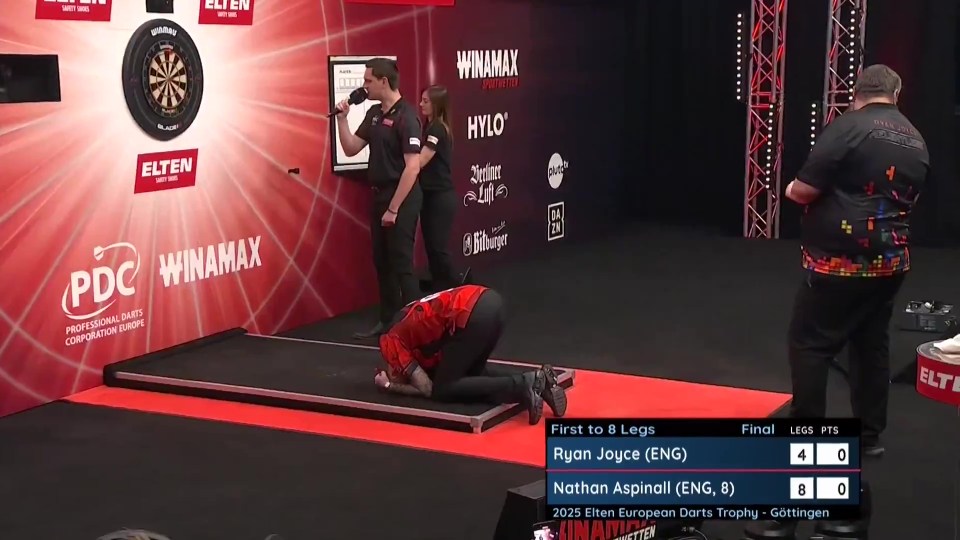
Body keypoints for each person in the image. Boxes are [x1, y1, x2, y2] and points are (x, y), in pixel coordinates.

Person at [746, 65, 928, 539]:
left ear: (857, 96)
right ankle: (868, 435)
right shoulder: (915, 138)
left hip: (840, 265)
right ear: (896, 93)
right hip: (891, 263)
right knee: (871, 342)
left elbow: (803, 188)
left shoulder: (848, 127)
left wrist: (791, 191)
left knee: (810, 346)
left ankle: (806, 436)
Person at [374, 284, 568, 424]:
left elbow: (428, 389)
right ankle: (539, 382)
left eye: (393, 369)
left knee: (444, 389)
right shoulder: (414, 334)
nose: (396, 371)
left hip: (471, 312)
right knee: (469, 378)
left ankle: (527, 383)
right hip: (489, 301)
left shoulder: (391, 341)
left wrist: (390, 386)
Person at [335, 58, 424, 338]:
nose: (364, 86)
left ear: (384, 82)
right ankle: (388, 320)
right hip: (379, 195)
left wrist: (394, 209)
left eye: (368, 81)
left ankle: (417, 327)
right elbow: (350, 149)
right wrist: (342, 120)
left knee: (401, 262)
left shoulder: (407, 117)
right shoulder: (373, 113)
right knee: (381, 261)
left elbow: (413, 167)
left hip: (402, 196)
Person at [416, 85, 458, 292]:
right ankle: (440, 288)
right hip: (431, 196)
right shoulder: (429, 126)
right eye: (422, 100)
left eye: (426, 101)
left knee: (438, 248)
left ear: (436, 104)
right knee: (432, 248)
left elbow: (422, 159)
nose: (421, 104)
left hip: (440, 198)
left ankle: (457, 289)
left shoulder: (436, 129)